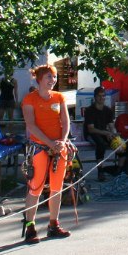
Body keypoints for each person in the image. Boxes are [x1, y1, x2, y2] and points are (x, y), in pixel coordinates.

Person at [19, 64, 73, 242]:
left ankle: (54, 224)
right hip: (40, 147)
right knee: (36, 187)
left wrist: (62, 141)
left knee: (57, 188)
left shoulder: (59, 97)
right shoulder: (29, 100)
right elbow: (31, 125)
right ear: (39, 79)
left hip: (59, 148)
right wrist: (50, 143)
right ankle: (30, 226)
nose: (53, 80)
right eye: (49, 77)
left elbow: (65, 122)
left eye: (54, 77)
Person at [82, 86, 117, 181]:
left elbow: (111, 126)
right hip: (91, 134)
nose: (101, 98)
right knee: (100, 144)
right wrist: (106, 133)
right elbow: (91, 129)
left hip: (103, 132)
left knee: (122, 144)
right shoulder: (89, 110)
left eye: (103, 96)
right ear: (95, 97)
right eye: (99, 96)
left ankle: (119, 169)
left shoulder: (108, 110)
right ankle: (100, 171)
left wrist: (115, 135)